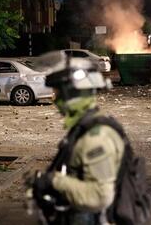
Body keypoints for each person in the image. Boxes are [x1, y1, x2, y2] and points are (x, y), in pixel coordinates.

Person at [28, 52, 125, 224]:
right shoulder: (84, 128)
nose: (53, 98)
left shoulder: (96, 138)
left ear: (70, 94)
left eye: (57, 92)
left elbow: (100, 196)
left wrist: (54, 181)